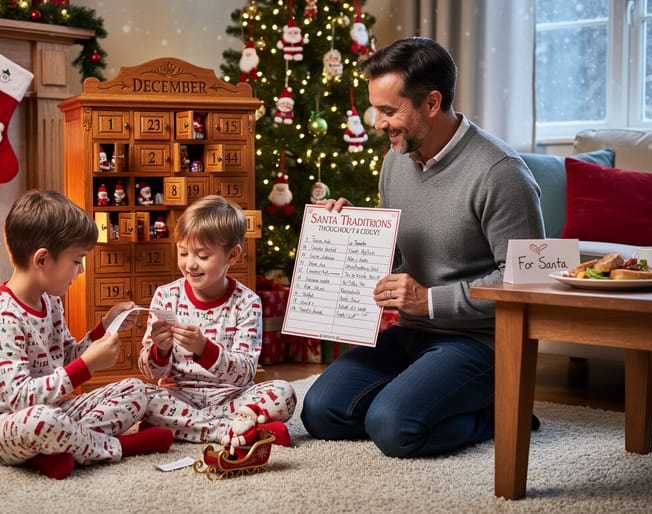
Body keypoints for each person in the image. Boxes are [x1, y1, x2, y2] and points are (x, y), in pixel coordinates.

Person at [300, 37, 545, 458]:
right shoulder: (397, 157)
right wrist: (350, 232)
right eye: (376, 108)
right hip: (413, 333)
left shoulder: (501, 174)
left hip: (482, 343)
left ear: (432, 103)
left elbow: (529, 281)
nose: (377, 122)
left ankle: (509, 412)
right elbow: (394, 256)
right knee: (321, 412)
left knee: (393, 428)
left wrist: (429, 300)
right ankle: (418, 397)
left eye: (389, 110)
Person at [0, 190, 173, 480]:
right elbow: (22, 399)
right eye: (76, 260)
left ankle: (54, 453)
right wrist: (87, 368)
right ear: (43, 260)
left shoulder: (51, 301)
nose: (81, 270)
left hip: (55, 409)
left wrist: (104, 327)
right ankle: (121, 447)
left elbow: (66, 357)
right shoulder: (1, 318)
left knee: (135, 391)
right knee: (44, 421)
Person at [139, 195, 297, 447]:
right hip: (181, 395)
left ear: (232, 256)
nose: (190, 264)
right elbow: (150, 373)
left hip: (232, 396)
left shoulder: (247, 302)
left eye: (202, 256)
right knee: (138, 395)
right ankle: (239, 431)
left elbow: (245, 372)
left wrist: (205, 349)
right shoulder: (166, 296)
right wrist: (160, 350)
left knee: (283, 393)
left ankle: (183, 428)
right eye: (183, 252)